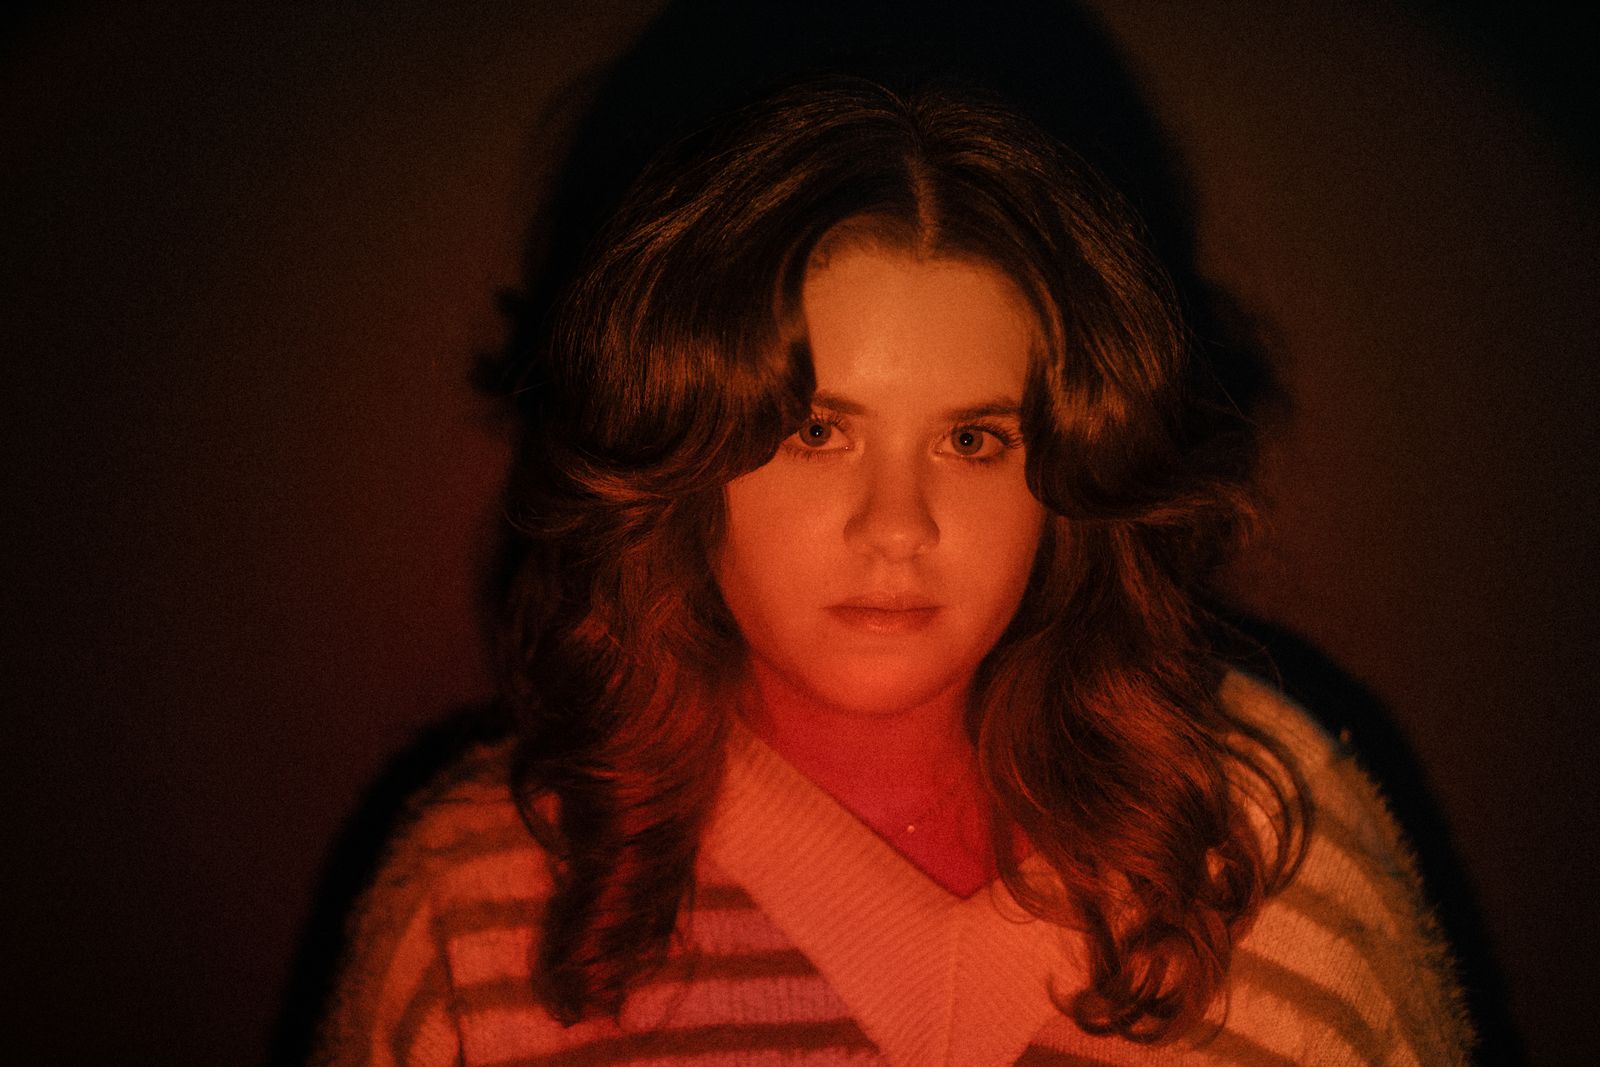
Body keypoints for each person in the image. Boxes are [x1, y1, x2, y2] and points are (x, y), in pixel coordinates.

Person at [314, 77, 1472, 1065]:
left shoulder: (1266, 849)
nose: (896, 524)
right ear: (683, 455)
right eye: (816, 430)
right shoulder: (474, 900)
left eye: (971, 438)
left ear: (1068, 476)